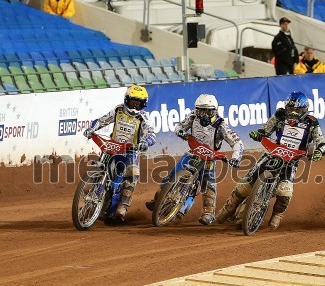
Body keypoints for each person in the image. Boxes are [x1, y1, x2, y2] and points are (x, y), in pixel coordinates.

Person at [215, 91, 325, 230]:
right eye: (290, 109)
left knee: (284, 191)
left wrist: (319, 152)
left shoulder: (311, 122)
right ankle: (228, 208)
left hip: (291, 161)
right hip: (273, 153)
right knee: (245, 184)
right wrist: (259, 134)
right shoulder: (280, 115)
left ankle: (277, 216)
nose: (292, 113)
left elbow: (323, 143)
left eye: (295, 110)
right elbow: (266, 129)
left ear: (304, 110)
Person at [145, 94, 243, 225]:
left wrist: (236, 157)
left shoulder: (221, 125)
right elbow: (179, 126)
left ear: (214, 111)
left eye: (207, 110)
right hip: (192, 153)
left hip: (209, 158)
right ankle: (157, 199)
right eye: (201, 110)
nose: (203, 114)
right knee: (171, 176)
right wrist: (181, 133)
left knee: (209, 183)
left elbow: (237, 143)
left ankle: (208, 212)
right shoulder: (192, 116)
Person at [83, 85, 156, 222]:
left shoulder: (144, 118)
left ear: (143, 104)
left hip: (130, 151)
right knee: (99, 168)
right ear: (127, 100)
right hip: (112, 147)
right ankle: (91, 198)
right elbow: (102, 120)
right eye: (133, 102)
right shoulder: (118, 110)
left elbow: (151, 134)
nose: (135, 105)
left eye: (138, 103)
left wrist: (146, 142)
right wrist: (91, 128)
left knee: (133, 174)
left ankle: (121, 208)